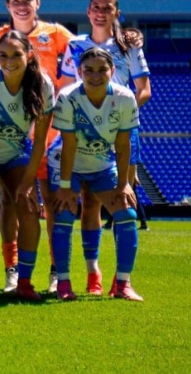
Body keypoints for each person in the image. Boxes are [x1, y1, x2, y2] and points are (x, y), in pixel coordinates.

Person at [0, 0, 74, 293]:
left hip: (50, 135)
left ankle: (55, 270)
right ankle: (12, 270)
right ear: (7, 5)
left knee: (50, 203)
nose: (22, 4)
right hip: (10, 137)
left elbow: (87, 62)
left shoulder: (59, 35)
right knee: (10, 200)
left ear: (38, 3)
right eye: (15, 0)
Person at [60, 0, 153, 293]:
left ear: (117, 12)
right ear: (88, 12)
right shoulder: (74, 45)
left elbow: (144, 89)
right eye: (96, 7)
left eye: (107, 8)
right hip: (79, 132)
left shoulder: (128, 45)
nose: (101, 12)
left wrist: (112, 119)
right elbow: (63, 84)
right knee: (87, 204)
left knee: (123, 198)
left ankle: (122, 278)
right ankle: (93, 273)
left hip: (119, 132)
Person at [0, 30, 54, 301]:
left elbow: (39, 142)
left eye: (16, 54)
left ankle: (24, 283)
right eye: (3, 55)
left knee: (27, 208)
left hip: (16, 153)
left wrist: (28, 182)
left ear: (29, 55)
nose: (9, 60)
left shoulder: (43, 85)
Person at [50, 47, 143, 301]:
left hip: (103, 165)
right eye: (88, 70)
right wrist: (67, 187)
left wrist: (124, 184)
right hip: (68, 166)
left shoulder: (125, 97)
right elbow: (68, 145)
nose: (95, 75)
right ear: (79, 72)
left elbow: (124, 145)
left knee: (127, 215)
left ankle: (122, 284)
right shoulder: (68, 97)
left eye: (102, 70)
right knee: (64, 214)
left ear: (112, 71)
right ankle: (64, 283)